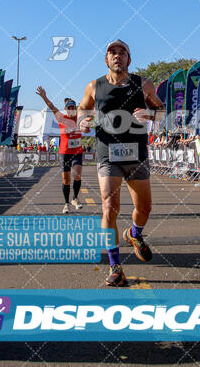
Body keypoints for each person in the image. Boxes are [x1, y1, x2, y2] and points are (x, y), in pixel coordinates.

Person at [77, 40, 164, 287]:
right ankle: (115, 266)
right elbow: (83, 111)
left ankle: (134, 235)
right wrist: (83, 123)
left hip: (136, 153)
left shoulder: (143, 84)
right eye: (112, 53)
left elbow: (162, 112)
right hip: (107, 153)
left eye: (122, 52)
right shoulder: (94, 86)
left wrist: (149, 115)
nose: (117, 56)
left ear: (129, 59)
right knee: (109, 207)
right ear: (106, 60)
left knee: (144, 208)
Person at [36, 88, 83, 213]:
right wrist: (44, 96)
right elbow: (51, 106)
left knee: (77, 175)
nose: (72, 110)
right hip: (64, 153)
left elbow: (92, 107)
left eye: (73, 107)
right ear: (66, 109)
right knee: (66, 179)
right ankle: (66, 203)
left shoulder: (80, 118)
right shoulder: (61, 118)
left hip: (77, 152)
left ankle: (75, 198)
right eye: (69, 108)